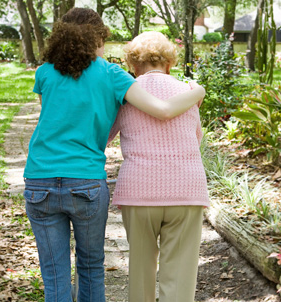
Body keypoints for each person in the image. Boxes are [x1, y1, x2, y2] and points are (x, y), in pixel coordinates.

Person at [23, 8, 205, 302]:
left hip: (41, 178)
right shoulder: (112, 76)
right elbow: (170, 116)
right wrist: (198, 91)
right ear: (98, 39)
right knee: (91, 265)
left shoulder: (44, 72)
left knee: (54, 271)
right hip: (87, 181)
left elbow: (54, 119)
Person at [107, 31, 210, 302]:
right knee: (180, 277)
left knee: (140, 272)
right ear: (169, 62)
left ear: (132, 64)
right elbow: (195, 138)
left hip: (139, 191)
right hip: (186, 189)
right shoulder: (188, 93)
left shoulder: (125, 94)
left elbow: (103, 137)